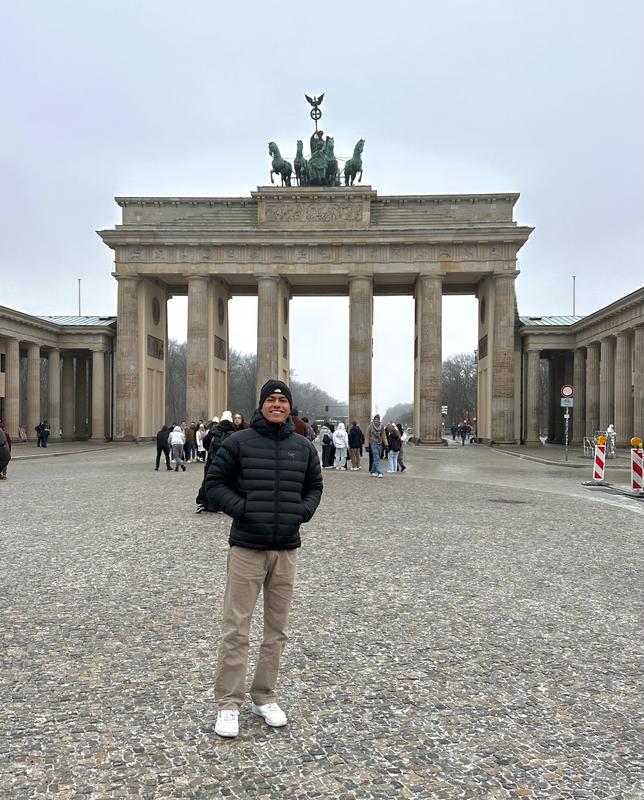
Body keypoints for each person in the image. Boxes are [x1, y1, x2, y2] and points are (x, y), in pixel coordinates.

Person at [205, 379, 323, 739]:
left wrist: (301, 512)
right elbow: (213, 484)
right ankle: (228, 703)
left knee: (277, 629)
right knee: (236, 627)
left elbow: (315, 486)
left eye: (282, 400)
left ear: (290, 406)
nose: (276, 405)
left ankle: (264, 695)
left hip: (286, 548)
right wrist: (244, 509)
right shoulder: (238, 442)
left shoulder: (303, 447)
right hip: (247, 547)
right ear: (261, 405)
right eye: (270, 399)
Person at [195, 411, 236, 513]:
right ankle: (218, 505)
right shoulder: (234, 433)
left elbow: (205, 443)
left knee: (207, 481)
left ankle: (203, 502)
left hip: (212, 460)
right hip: (227, 461)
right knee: (224, 483)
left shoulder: (214, 430)